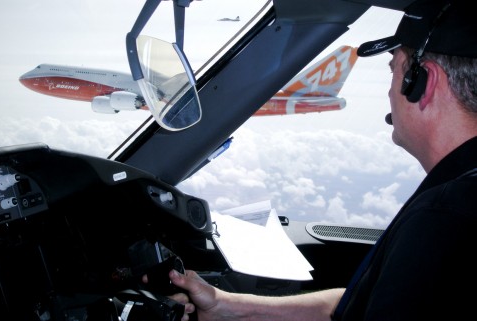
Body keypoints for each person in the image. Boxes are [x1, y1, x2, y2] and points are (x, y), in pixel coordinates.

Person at [144, 0, 477, 319]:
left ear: (423, 84)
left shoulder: (445, 222)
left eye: (393, 71)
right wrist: (227, 306)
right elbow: (353, 305)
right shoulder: (455, 195)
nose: (389, 92)